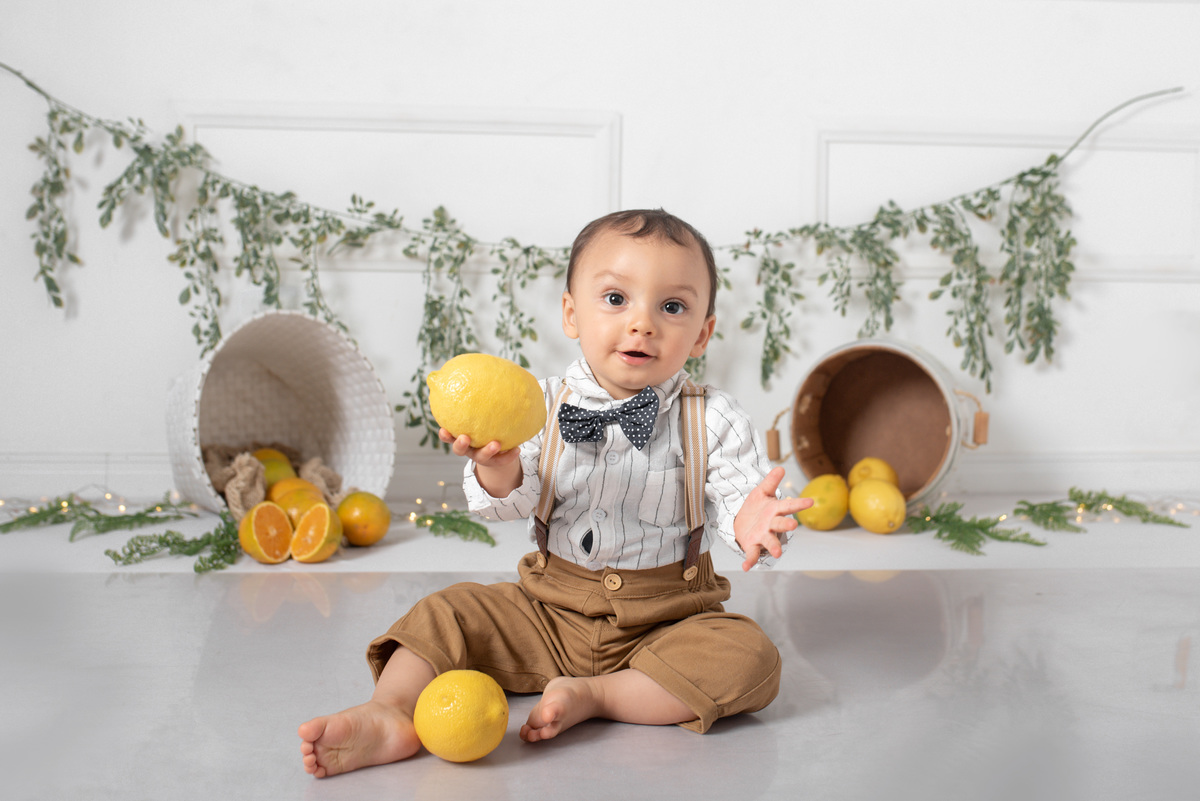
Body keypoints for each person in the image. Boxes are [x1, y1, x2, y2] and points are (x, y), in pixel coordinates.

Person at [299, 209, 811, 777]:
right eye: (616, 299)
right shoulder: (534, 405)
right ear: (572, 313)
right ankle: (391, 712)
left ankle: (602, 695)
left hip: (666, 620)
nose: (642, 323)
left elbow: (742, 487)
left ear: (703, 333)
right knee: (448, 610)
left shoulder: (712, 418)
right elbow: (511, 501)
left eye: (672, 307)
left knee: (750, 659)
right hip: (544, 610)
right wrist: (501, 466)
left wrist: (751, 517)